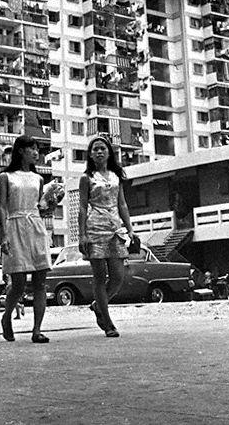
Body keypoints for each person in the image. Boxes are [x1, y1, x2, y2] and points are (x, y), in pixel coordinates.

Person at [78, 136, 138, 338]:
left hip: (115, 229)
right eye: (94, 149)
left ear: (109, 152)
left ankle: (98, 305)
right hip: (95, 228)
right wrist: (82, 235)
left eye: (102, 148)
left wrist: (130, 228)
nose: (99, 152)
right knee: (99, 276)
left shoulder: (116, 176)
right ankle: (108, 323)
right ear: (90, 154)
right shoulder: (87, 178)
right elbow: (82, 207)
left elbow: (122, 204)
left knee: (118, 276)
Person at [0, 135, 54, 343]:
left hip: (36, 226)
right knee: (19, 283)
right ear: (20, 150)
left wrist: (51, 204)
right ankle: (6, 317)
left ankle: (37, 330)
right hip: (15, 225)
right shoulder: (6, 176)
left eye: (37, 149)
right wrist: (3, 234)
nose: (36, 152)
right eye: (32, 148)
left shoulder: (38, 179)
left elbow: (40, 206)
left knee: (41, 281)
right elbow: (2, 206)